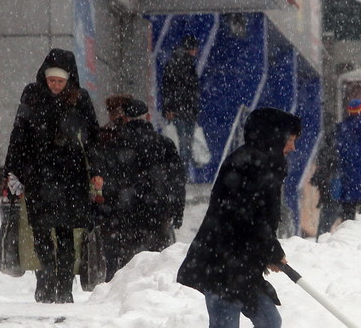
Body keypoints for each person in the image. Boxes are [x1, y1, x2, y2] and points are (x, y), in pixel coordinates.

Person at [177, 108, 302, 328]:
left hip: (243, 266)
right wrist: (271, 250)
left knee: (270, 321)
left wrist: (266, 253)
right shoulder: (249, 165)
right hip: (222, 266)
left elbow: (256, 220)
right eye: (290, 139)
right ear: (276, 137)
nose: (293, 146)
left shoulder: (265, 164)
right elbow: (248, 218)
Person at [3, 48, 100, 303]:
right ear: (43, 78)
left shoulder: (80, 98)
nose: (55, 86)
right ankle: (45, 283)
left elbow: (93, 137)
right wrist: (12, 170)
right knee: (41, 231)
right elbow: (19, 134)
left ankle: (64, 288)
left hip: (70, 175)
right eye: (51, 81)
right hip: (39, 173)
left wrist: (98, 171)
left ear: (69, 80)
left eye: (60, 81)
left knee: (67, 233)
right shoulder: (32, 95)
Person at [92, 98, 186, 281]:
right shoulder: (165, 145)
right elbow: (177, 181)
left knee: (124, 268)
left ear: (125, 118)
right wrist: (177, 210)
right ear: (148, 117)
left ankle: (122, 297)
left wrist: (105, 210)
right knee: (157, 267)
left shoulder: (113, 145)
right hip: (158, 213)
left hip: (124, 215)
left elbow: (108, 182)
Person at [159, 35, 201, 169]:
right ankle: (182, 172)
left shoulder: (173, 63)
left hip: (178, 109)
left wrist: (168, 108)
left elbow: (168, 88)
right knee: (185, 143)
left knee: (181, 143)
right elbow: (184, 89)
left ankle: (180, 172)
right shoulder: (187, 65)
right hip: (184, 109)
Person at [309, 133, 342, 238]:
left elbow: (318, 174)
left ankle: (321, 239)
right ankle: (323, 239)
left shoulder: (324, 152)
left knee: (324, 221)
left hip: (326, 194)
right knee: (330, 218)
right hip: (334, 194)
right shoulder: (338, 153)